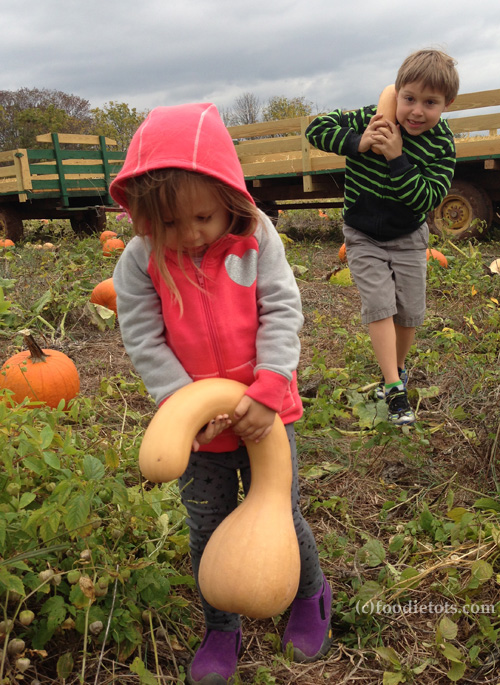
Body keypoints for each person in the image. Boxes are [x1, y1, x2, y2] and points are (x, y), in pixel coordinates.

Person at [110, 103, 332, 684]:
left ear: (229, 198)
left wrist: (269, 388)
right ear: (142, 219)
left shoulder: (257, 240)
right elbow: (143, 336)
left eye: (202, 218)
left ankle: (309, 594)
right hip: (200, 423)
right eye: (168, 226)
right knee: (206, 525)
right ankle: (221, 626)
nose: (187, 235)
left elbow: (282, 312)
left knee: (280, 510)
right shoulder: (138, 262)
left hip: (265, 410)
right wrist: (182, 402)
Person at [305, 49, 459, 425]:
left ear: (446, 105)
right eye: (409, 99)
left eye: (430, 103)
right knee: (380, 305)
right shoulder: (372, 119)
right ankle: (393, 389)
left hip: (408, 236)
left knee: (408, 313)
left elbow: (426, 198)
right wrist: (358, 141)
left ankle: (398, 371)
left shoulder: (442, 146)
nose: (416, 111)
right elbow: (316, 130)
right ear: (398, 91)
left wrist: (396, 157)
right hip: (362, 235)